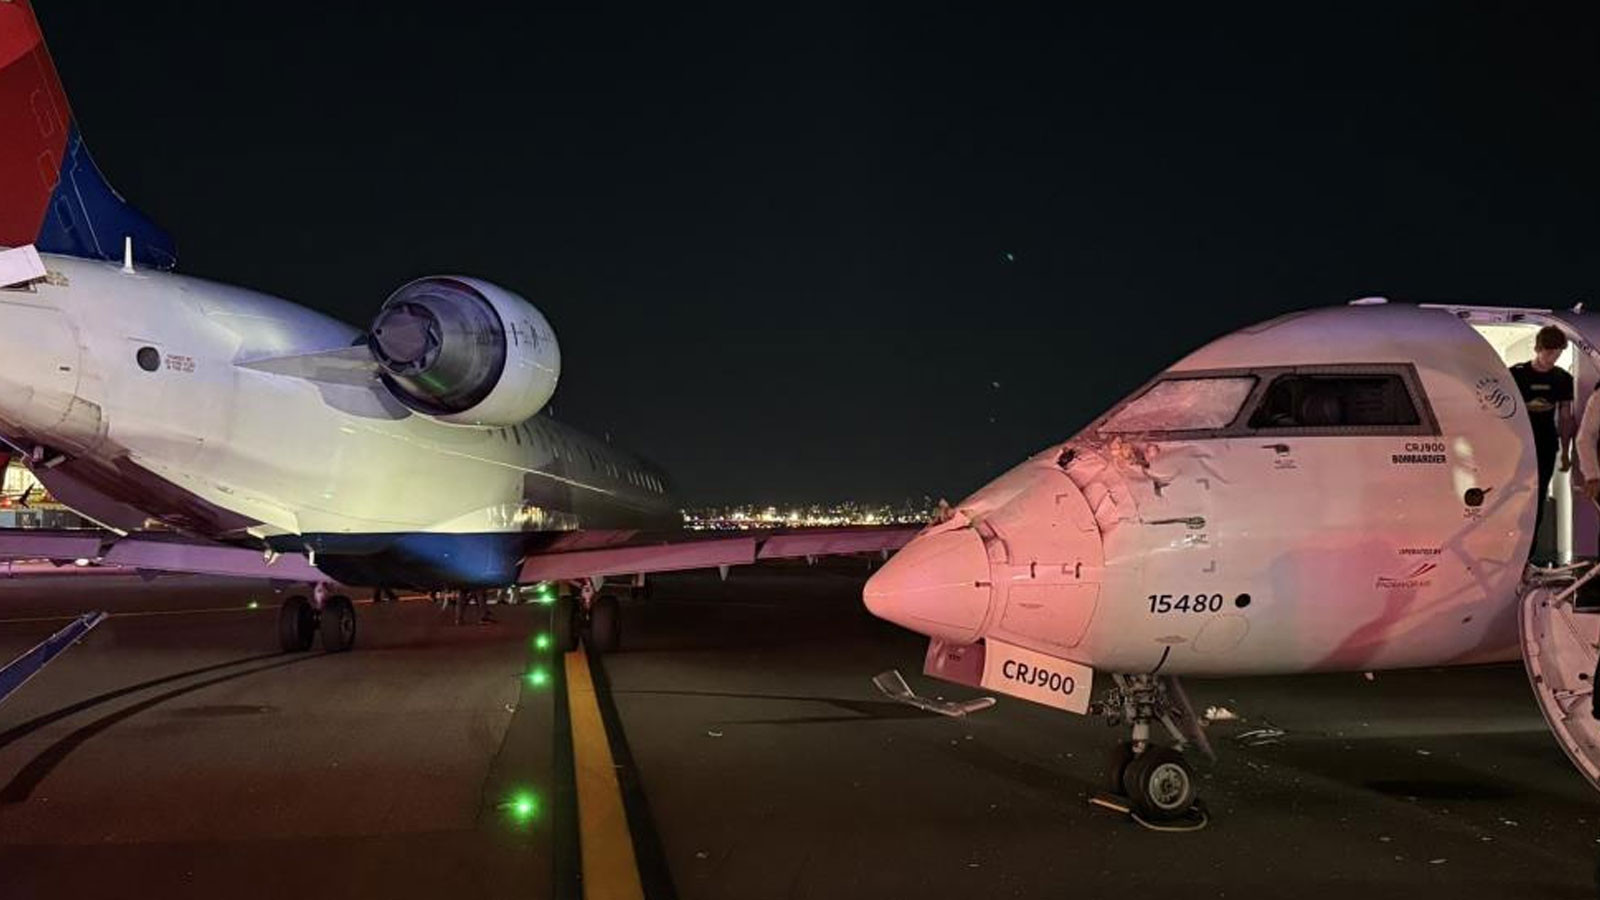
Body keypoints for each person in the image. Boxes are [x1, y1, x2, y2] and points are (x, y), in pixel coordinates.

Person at [1511, 326, 1576, 563]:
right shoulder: (1516, 375)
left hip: (1546, 444)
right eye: (1549, 353)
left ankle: (1528, 555)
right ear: (1538, 349)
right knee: (1512, 493)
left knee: (1537, 499)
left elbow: (1566, 417)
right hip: (1516, 445)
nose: (1552, 359)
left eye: (1557, 355)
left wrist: (1566, 452)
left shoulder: (1562, 379)